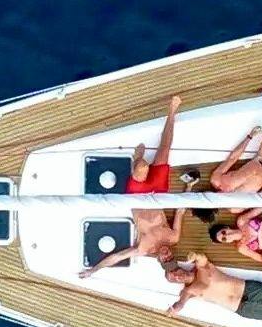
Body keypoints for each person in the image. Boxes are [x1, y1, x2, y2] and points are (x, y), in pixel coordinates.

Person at [79, 95, 187, 275]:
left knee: (142, 166)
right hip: (158, 193)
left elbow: (117, 257)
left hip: (136, 196)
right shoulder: (173, 237)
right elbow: (180, 211)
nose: (167, 255)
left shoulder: (143, 248)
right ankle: (172, 111)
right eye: (171, 257)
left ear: (159, 260)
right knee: (165, 149)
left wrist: (93, 270)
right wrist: (189, 187)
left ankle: (137, 159)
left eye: (165, 260)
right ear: (172, 254)